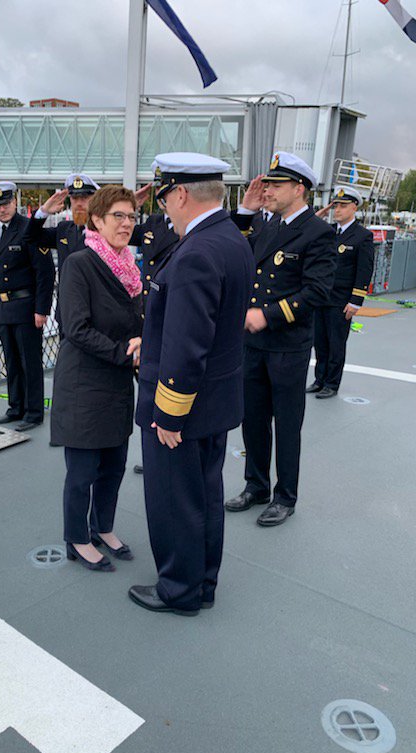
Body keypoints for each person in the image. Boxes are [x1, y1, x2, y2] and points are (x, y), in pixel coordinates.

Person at [129, 153, 253, 615]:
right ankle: (202, 583)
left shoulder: (197, 251)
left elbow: (187, 342)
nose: (164, 210)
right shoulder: (230, 239)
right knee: (205, 496)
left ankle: (178, 590)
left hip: (183, 406)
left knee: (174, 500)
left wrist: (169, 413)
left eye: (165, 199)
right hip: (216, 400)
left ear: (180, 194)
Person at [224, 152, 336, 526]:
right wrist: (245, 208)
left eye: (275, 185)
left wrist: (266, 315)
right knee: (253, 419)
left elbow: (317, 293)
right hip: (252, 345)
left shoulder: (318, 233)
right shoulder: (266, 225)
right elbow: (233, 247)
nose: (267, 190)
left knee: (286, 424)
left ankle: (285, 496)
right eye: (266, 184)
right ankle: (256, 485)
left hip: (287, 345)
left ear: (299, 188)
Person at [50, 185, 143, 571]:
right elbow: (75, 327)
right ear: (98, 220)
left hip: (117, 383)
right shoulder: (80, 263)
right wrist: (126, 351)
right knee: (83, 470)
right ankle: (76, 537)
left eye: (132, 217)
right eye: (118, 216)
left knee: (114, 463)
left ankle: (102, 526)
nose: (126, 224)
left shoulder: (130, 269)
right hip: (85, 383)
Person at [0, 181, 55, 432]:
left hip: (26, 307)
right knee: (11, 360)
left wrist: (41, 309)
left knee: (29, 362)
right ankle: (16, 407)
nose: (2, 209)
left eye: (5, 204)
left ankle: (33, 413)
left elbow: (45, 272)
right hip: (2, 307)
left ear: (15, 202)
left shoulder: (29, 229)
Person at [129, 183, 180, 475]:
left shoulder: (191, 230)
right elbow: (115, 230)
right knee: (147, 392)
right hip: (147, 317)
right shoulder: (152, 224)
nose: (163, 200)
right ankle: (153, 456)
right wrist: (131, 205)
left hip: (170, 318)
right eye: (160, 195)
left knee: (168, 390)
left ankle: (165, 457)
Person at [307, 186, 374, 398]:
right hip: (322, 298)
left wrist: (356, 301)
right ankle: (319, 380)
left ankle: (332, 384)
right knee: (320, 343)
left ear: (354, 207)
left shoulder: (362, 236)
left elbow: (364, 270)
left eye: (343, 206)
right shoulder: (328, 233)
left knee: (336, 344)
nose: (337, 210)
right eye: (335, 206)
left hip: (341, 301)